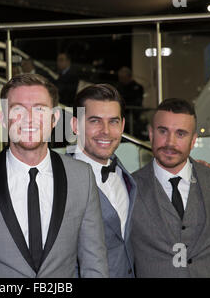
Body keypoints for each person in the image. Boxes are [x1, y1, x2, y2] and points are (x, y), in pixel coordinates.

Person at [0, 73, 108, 278]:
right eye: (18, 109)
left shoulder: (82, 177)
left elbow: (94, 263)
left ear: (54, 118)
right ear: (3, 119)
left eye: (39, 109)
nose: (29, 118)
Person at [131, 98, 210, 277]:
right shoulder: (129, 187)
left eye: (181, 134)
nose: (170, 142)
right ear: (151, 134)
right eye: (163, 131)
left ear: (193, 140)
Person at [70, 84, 137, 277]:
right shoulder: (57, 181)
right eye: (95, 121)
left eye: (113, 121)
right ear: (75, 125)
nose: (105, 131)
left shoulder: (128, 177)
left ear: (122, 126)